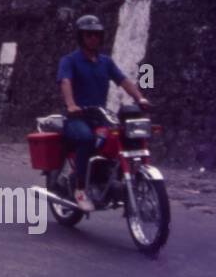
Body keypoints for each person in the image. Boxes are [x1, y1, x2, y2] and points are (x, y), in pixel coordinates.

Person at [57, 14, 152, 212]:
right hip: (77, 117)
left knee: (120, 139)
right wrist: (71, 105)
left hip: (99, 116)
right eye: (89, 35)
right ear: (81, 37)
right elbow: (65, 81)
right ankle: (80, 189)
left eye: (97, 35)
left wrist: (139, 97)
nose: (93, 38)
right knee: (85, 139)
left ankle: (113, 181)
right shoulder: (70, 60)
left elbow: (124, 81)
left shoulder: (105, 62)